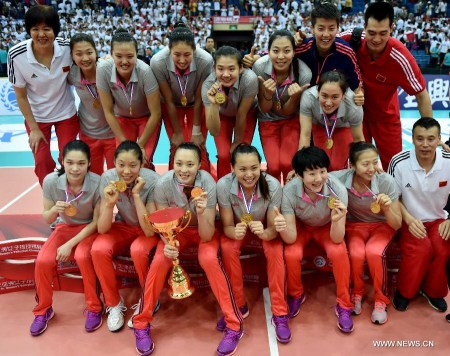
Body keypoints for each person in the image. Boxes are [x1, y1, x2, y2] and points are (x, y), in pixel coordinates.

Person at [131, 142, 243, 356]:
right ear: (172, 163)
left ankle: (234, 325)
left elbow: (207, 235)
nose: (184, 169)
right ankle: (141, 323)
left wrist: (201, 212)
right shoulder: (163, 184)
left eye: (190, 164)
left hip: (203, 229)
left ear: (199, 165)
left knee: (209, 259)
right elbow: (163, 223)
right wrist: (168, 245)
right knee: (160, 261)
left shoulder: (208, 183)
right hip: (175, 231)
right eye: (179, 163)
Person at [340, 2, 432, 170]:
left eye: (383, 33)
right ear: (364, 26)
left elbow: (421, 94)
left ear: (392, 28)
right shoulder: (350, 38)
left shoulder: (401, 57)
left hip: (385, 117)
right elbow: (325, 45)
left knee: (394, 166)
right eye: (371, 33)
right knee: (355, 165)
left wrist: (430, 131)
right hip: (355, 114)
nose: (376, 39)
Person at [216, 143, 292, 343]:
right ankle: (239, 305)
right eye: (242, 169)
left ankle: (280, 312)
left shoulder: (273, 185)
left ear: (261, 166)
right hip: (238, 230)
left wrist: (266, 233)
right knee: (226, 247)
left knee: (275, 252)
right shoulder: (224, 185)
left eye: (254, 168)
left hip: (265, 229)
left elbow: (273, 229)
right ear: (232, 168)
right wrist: (233, 231)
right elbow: (226, 226)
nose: (249, 174)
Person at [274, 146, 354, 333]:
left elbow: (337, 238)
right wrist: (282, 226)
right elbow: (291, 237)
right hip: (301, 227)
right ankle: (296, 294)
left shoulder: (338, 191)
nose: (318, 178)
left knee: (339, 251)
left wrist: (336, 221)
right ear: (300, 175)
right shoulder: (289, 192)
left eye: (322, 171)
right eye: (311, 173)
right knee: (292, 253)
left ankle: (344, 303)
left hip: (327, 226)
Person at [30, 140, 102, 336]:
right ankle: (43, 310)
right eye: (70, 163)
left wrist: (70, 245)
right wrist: (54, 209)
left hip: (88, 229)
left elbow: (97, 222)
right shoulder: (51, 181)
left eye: (81, 163)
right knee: (43, 261)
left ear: (89, 163)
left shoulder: (97, 183)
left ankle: (94, 307)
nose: (75, 168)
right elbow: (47, 218)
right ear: (62, 162)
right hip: (64, 227)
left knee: (83, 257)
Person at [91, 140, 160, 332]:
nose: (127, 171)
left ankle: (149, 300)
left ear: (142, 164)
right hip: (123, 226)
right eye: (121, 165)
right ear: (113, 162)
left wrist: (137, 196)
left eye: (133, 165)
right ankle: (113, 303)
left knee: (138, 250)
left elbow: (149, 231)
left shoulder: (153, 181)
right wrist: (108, 204)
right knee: (98, 248)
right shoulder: (107, 179)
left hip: (146, 228)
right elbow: (103, 229)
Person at [7, 5, 79, 186]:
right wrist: (34, 129)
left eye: (47, 29)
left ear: (55, 30)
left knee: (70, 159)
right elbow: (21, 96)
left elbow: (87, 61)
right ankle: (51, 201)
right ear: (28, 31)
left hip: (66, 114)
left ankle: (71, 198)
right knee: (42, 162)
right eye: (35, 29)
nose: (41, 34)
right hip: (37, 118)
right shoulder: (16, 55)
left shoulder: (67, 48)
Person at [331, 142, 402, 325]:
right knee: (356, 253)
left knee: (374, 252)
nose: (371, 169)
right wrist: (296, 174)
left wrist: (386, 209)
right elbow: (318, 176)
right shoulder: (339, 179)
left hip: (382, 226)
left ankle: (381, 299)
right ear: (352, 165)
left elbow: (397, 223)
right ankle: (357, 293)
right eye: (365, 164)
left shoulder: (386, 181)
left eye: (374, 162)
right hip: (355, 226)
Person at [388, 117, 450, 314]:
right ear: (412, 139)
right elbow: (391, 197)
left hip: (439, 219)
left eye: (431, 139)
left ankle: (433, 291)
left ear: (439, 139)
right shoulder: (398, 162)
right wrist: (408, 219)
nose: (425, 145)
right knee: (420, 249)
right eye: (420, 139)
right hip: (409, 218)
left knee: (442, 248)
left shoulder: (448, 161)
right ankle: (405, 292)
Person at [150, 25, 213, 174]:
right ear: (169, 49)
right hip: (171, 104)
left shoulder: (205, 60)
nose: (182, 60)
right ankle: (173, 185)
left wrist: (197, 130)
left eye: (187, 54)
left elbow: (199, 98)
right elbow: (168, 99)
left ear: (194, 50)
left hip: (196, 104)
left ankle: (203, 183)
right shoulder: (158, 62)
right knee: (175, 145)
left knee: (199, 144)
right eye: (177, 54)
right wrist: (177, 132)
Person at [96, 29, 162, 170]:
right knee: (124, 160)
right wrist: (124, 141)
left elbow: (156, 113)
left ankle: (148, 189)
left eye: (130, 56)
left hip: (147, 119)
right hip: (122, 119)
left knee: (143, 161)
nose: (124, 62)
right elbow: (108, 111)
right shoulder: (103, 70)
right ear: (111, 54)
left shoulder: (145, 72)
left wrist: (140, 145)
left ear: (136, 55)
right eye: (118, 56)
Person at [252, 30, 311, 183]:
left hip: (291, 120)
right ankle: (273, 201)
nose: (280, 57)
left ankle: (290, 201)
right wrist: (267, 94)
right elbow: (264, 108)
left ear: (293, 52)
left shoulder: (303, 74)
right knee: (274, 166)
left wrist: (294, 98)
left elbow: (287, 111)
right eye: (276, 51)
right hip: (267, 120)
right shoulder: (259, 68)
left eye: (286, 51)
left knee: (287, 164)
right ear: (269, 51)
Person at [202, 46, 258, 179]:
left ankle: (244, 186)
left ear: (241, 68)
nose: (226, 74)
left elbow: (241, 114)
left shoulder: (250, 79)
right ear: (214, 68)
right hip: (222, 115)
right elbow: (213, 131)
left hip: (246, 113)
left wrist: (237, 141)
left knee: (241, 153)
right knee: (223, 154)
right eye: (220, 69)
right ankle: (223, 189)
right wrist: (214, 105)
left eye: (231, 69)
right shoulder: (207, 86)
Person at [69, 33, 115, 175]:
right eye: (79, 54)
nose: (85, 58)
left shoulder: (108, 69)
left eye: (89, 52)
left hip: (113, 133)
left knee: (116, 176)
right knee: (94, 177)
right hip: (88, 133)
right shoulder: (71, 73)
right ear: (72, 56)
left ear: (96, 52)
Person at [299, 71, 364, 171]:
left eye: (335, 97)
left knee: (338, 166)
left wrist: (365, 163)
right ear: (318, 92)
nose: (328, 103)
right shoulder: (308, 97)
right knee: (322, 164)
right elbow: (305, 135)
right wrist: (300, 167)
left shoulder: (353, 105)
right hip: (320, 125)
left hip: (343, 127)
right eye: (324, 96)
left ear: (343, 95)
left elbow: (358, 139)